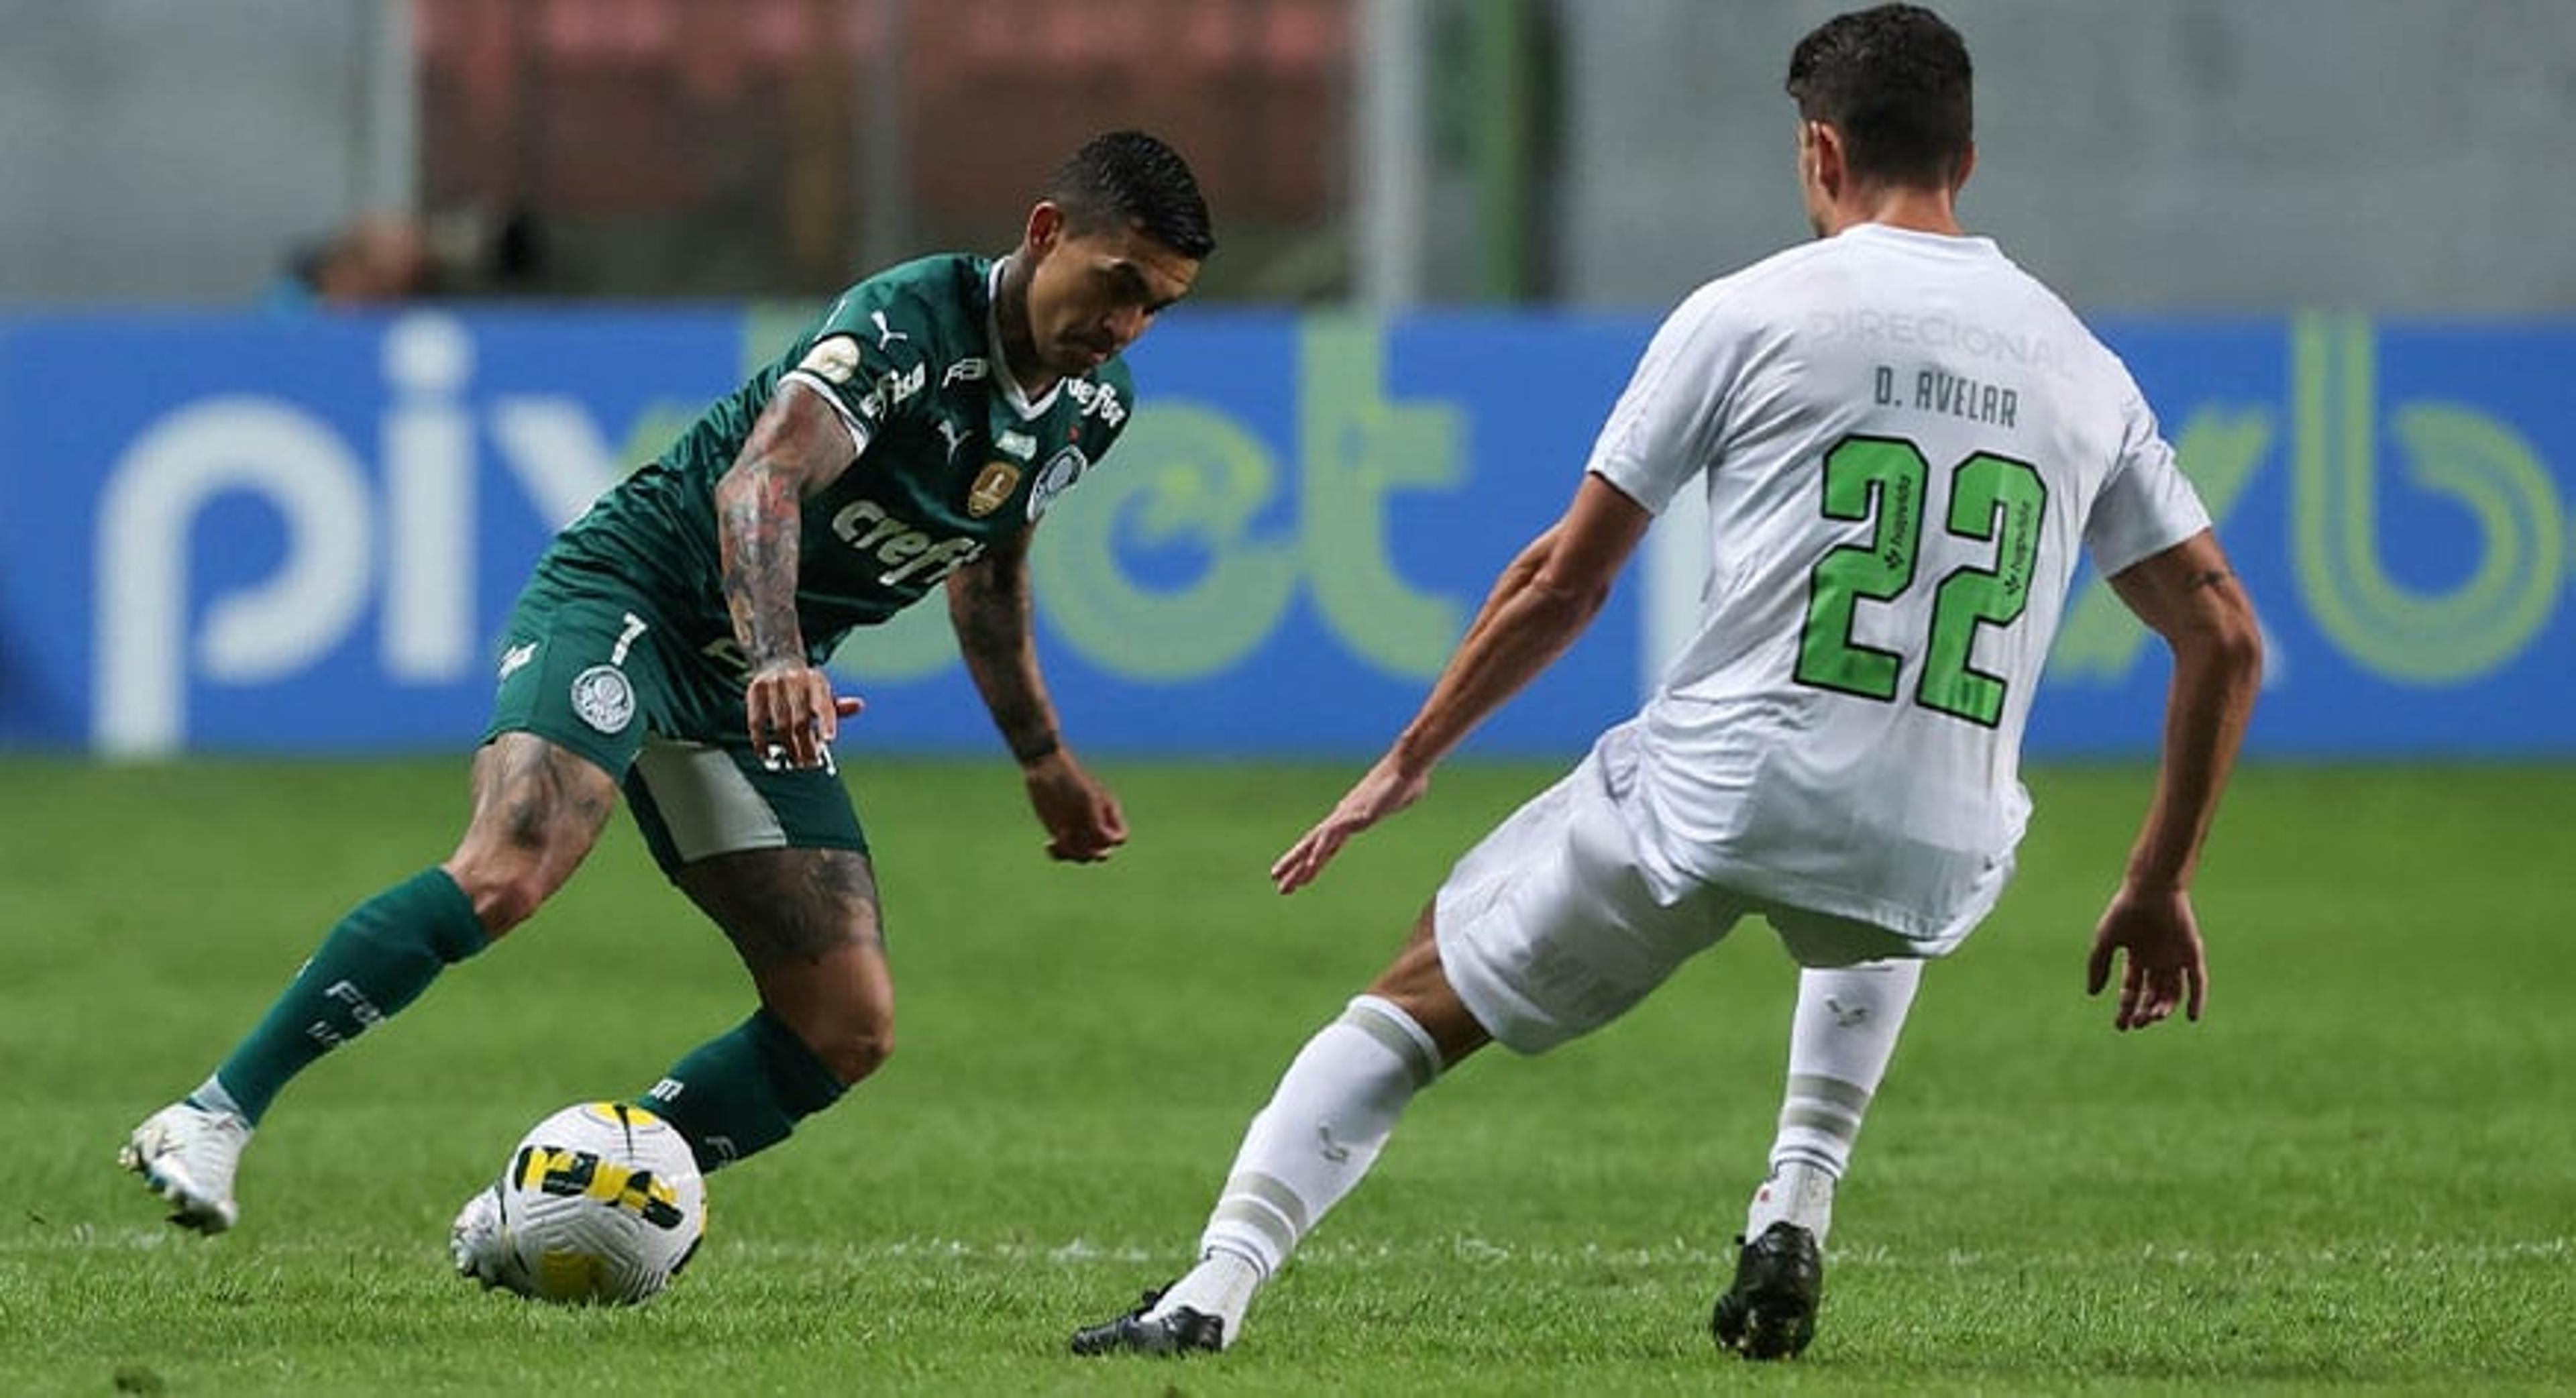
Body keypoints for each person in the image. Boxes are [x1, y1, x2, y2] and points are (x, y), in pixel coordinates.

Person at [1071, 5, 2260, 1362]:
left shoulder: (1753, 310)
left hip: (1721, 795)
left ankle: (1211, 1290)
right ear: (1967, 161)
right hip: (1940, 852)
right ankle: (1797, 1200)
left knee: (1408, 1007)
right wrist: (2160, 878)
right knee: (1873, 867)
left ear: (1821, 150)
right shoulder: (2081, 365)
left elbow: (1563, 584)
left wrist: (1414, 753)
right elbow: (2223, 634)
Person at [119, 131, 1217, 1273]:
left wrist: (1043, 759)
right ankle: (211, 1112)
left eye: (1159, 308)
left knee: (845, 1026)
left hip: (746, 683)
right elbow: (762, 478)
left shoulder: (1093, 407)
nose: (1127, 326)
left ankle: (551, 1196)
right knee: (514, 864)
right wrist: (779, 655)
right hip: (632, 602)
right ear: (1046, 235)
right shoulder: (907, 323)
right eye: (1118, 287)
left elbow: (989, 571)